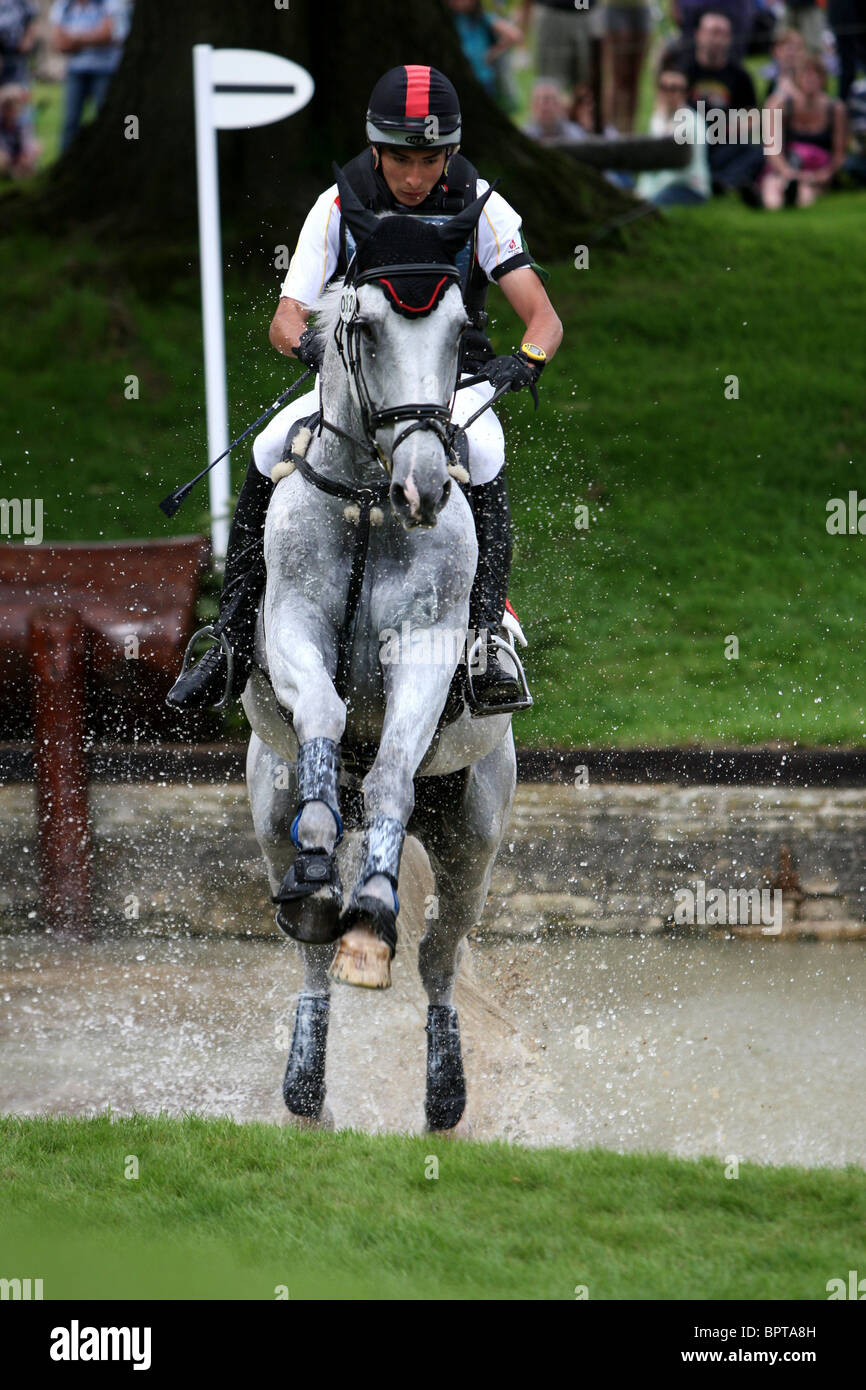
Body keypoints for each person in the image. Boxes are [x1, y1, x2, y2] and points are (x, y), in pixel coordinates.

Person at [167, 64, 563, 716]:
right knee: (270, 445)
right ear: (376, 151)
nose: (415, 177)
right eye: (402, 160)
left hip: (451, 383)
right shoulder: (336, 206)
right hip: (356, 385)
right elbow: (283, 319)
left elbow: (543, 318)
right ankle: (233, 636)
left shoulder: (482, 204)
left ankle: (487, 636)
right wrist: (312, 347)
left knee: (486, 454)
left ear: (451, 153)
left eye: (430, 159)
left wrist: (527, 359)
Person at [671, 10, 766, 194]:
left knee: (759, 151)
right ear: (699, 35)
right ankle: (723, 180)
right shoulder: (683, 71)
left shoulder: (740, 75)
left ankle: (721, 182)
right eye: (713, 32)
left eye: (723, 33)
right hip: (691, 143)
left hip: (724, 142)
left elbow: (752, 117)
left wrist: (732, 128)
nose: (717, 39)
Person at [761, 53, 848, 206]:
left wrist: (823, 175)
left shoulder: (835, 108)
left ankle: (790, 199)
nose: (810, 78)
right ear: (797, 78)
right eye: (806, 73)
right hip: (787, 165)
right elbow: (772, 150)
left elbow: (839, 154)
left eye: (815, 74)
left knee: (804, 193)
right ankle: (768, 204)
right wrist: (788, 172)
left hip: (817, 170)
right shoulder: (783, 104)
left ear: (823, 78)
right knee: (772, 189)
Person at [50, 0, 131, 153]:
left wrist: (75, 38)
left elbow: (110, 34)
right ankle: (67, 158)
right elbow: (59, 43)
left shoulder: (111, 3)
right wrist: (94, 36)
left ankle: (110, 156)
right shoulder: (64, 5)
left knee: (108, 118)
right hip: (75, 70)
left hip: (106, 70)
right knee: (70, 121)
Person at [636, 67, 712, 204]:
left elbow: (683, 170)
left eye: (676, 88)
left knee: (649, 208)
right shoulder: (657, 119)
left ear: (684, 93)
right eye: (664, 88)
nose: (669, 94)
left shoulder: (693, 123)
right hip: (661, 186)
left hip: (687, 186)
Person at [446, 0, 522, 110]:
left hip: (482, 78)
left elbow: (514, 35)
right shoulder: (449, 20)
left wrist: (494, 52)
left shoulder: (482, 18)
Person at [598, 0, 652, 133]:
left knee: (635, 80)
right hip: (615, 7)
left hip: (642, 8)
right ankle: (612, 131)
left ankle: (629, 131)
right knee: (619, 77)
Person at [522, 77, 588, 143]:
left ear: (560, 105)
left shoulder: (575, 135)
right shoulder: (523, 136)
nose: (543, 106)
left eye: (549, 100)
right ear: (531, 106)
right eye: (538, 100)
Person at [0, 80, 38, 176]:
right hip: (6, 155)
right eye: (6, 107)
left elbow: (26, 141)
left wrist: (26, 153)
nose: (10, 111)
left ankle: (20, 171)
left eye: (14, 106)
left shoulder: (23, 123)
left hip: (19, 154)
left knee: (33, 148)